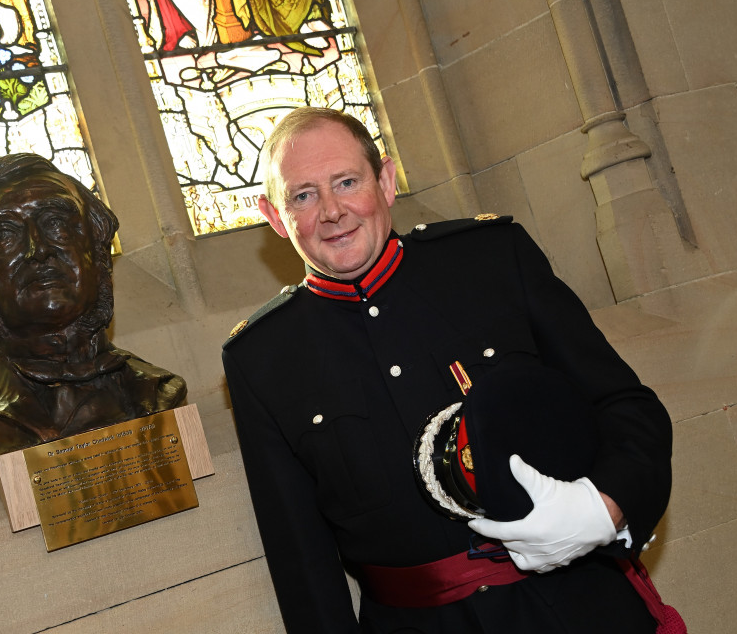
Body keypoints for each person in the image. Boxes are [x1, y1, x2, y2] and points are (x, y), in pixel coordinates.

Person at [221, 107, 672, 633]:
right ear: (275, 217)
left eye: (347, 182)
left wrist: (606, 507)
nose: (332, 211)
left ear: (386, 181)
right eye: (302, 195)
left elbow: (625, 406)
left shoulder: (491, 260)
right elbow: (301, 558)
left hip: (582, 606)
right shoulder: (261, 357)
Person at [0, 154, 186, 463]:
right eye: (5, 234)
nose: (38, 249)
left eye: (55, 223)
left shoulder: (155, 390)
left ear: (99, 255)